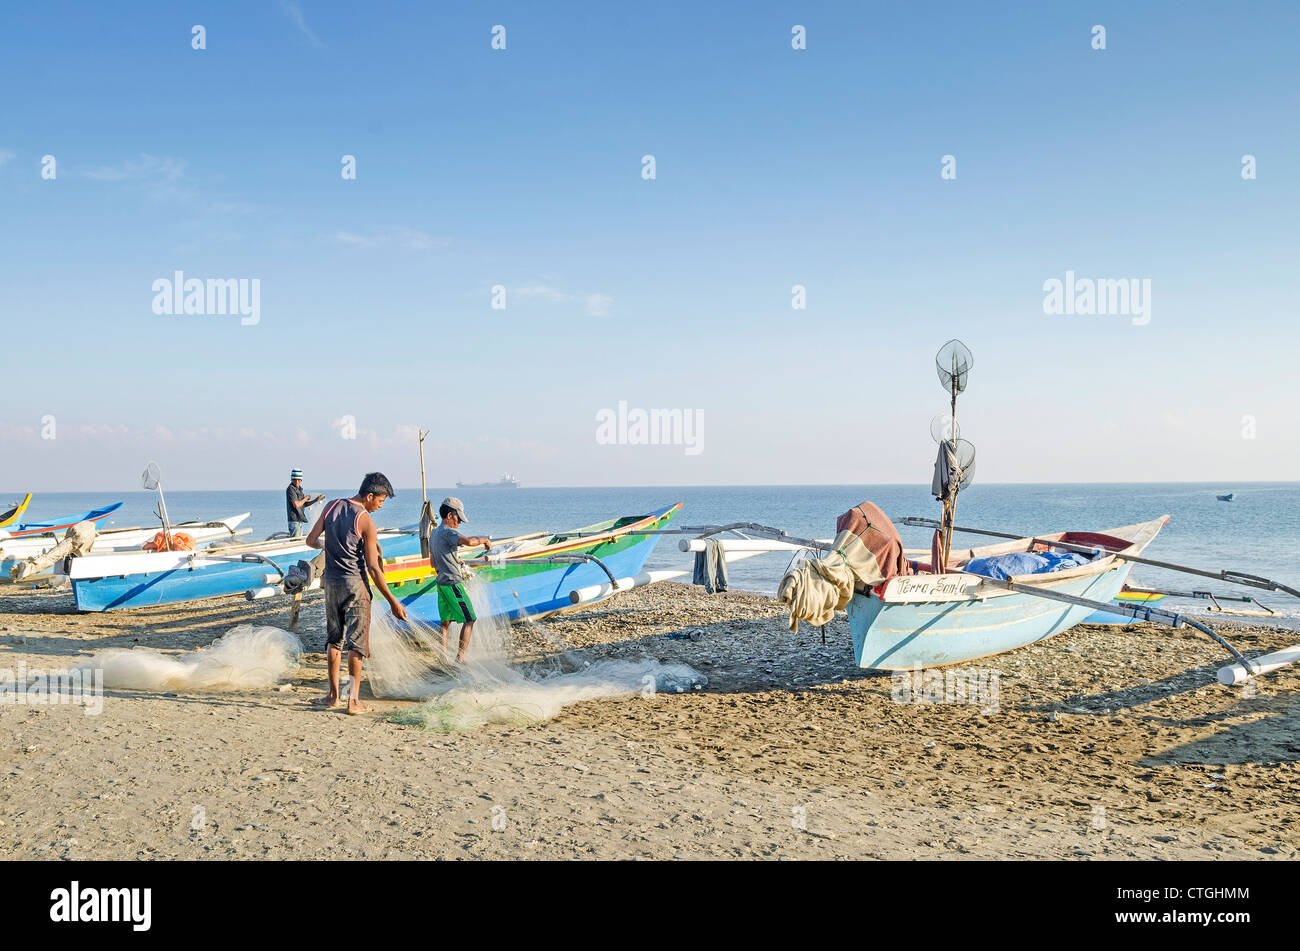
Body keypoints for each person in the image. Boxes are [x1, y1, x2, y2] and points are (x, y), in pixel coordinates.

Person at [305, 472, 408, 715]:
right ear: (369, 496)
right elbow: (373, 567)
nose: (379, 507)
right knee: (356, 645)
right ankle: (353, 702)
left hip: (330, 582)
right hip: (355, 585)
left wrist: (327, 545)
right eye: (380, 501)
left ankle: (333, 696)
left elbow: (311, 540)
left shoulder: (331, 507)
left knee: (333, 640)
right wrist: (393, 601)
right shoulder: (365, 520)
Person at [430, 496, 492, 663]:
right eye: (458, 519)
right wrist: (485, 540)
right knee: (470, 618)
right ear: (450, 515)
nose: (459, 523)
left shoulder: (434, 533)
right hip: (452, 584)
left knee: (445, 623)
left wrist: (454, 560)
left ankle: (442, 659)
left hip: (440, 584)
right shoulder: (449, 532)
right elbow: (470, 542)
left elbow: (433, 562)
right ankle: (460, 658)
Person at [286, 469, 324, 537]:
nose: (297, 482)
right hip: (294, 521)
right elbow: (296, 505)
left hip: (299, 520)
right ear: (291, 479)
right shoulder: (290, 489)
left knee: (297, 541)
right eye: (295, 480)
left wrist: (315, 500)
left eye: (298, 480)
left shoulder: (299, 490)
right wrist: (306, 498)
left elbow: (304, 504)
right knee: (295, 542)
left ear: (301, 480)